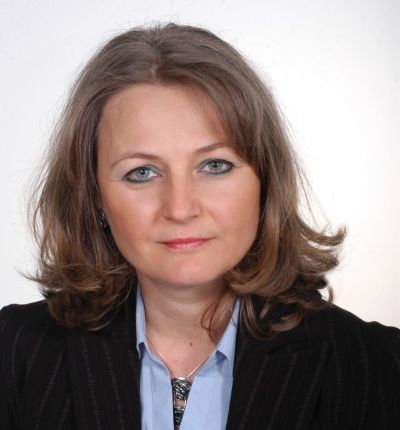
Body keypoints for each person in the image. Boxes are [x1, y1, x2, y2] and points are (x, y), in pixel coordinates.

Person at [0, 23, 399, 430]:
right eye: (142, 172)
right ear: (94, 196)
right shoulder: (14, 350)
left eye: (214, 165)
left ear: (265, 182)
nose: (180, 208)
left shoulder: (378, 366)